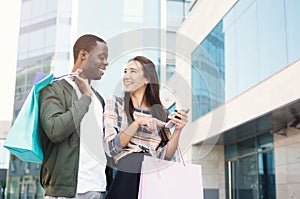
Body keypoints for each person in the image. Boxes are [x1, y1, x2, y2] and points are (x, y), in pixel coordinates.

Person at [103, 56, 189, 199]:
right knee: (134, 160)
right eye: (125, 71)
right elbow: (110, 148)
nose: (126, 76)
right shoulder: (115, 104)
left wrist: (178, 129)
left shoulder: (161, 112)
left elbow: (165, 157)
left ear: (147, 79)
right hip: (124, 175)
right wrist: (137, 123)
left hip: (151, 177)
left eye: (133, 71)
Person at [39, 34, 110, 199]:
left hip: (98, 189)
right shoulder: (54, 89)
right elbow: (55, 130)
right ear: (83, 55)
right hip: (66, 191)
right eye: (101, 57)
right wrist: (85, 97)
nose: (106, 63)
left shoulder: (99, 99)